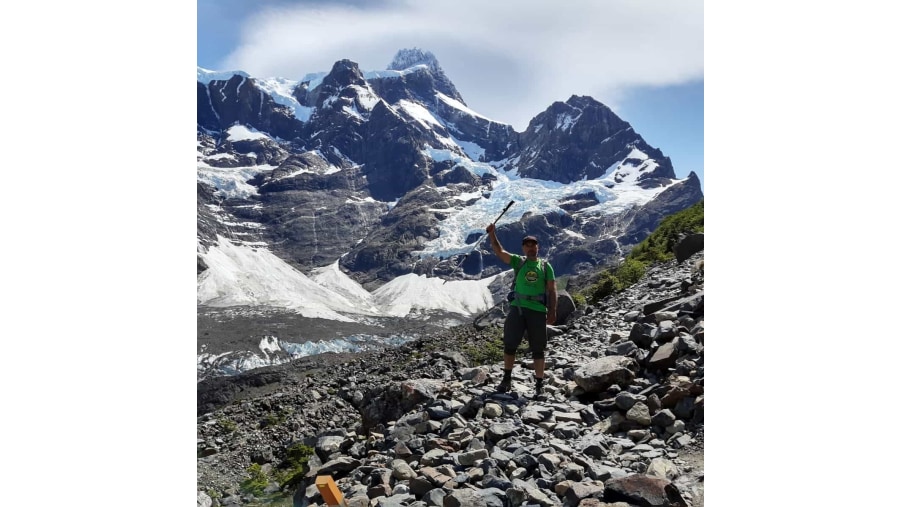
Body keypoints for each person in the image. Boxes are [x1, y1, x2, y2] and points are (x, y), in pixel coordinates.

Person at [486, 223, 557, 396]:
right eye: (527, 245)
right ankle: (506, 379)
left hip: (538, 310)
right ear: (523, 248)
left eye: (533, 245)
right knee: (510, 344)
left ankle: (539, 384)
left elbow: (552, 289)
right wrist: (492, 234)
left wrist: (553, 310)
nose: (531, 248)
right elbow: (500, 252)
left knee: (538, 348)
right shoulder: (519, 261)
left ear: (537, 248)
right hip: (518, 309)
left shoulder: (545, 266)